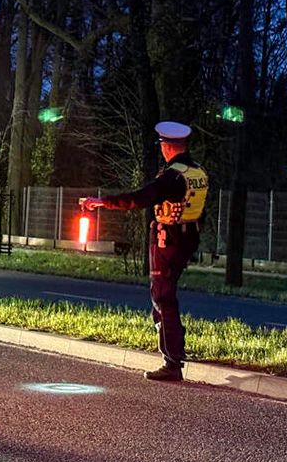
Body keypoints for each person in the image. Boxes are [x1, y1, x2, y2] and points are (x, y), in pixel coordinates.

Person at [80, 121, 208, 382]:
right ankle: (174, 350)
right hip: (187, 240)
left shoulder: (173, 176)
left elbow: (140, 198)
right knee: (165, 296)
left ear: (167, 147)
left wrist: (102, 202)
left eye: (162, 145)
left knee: (162, 298)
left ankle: (172, 361)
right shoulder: (197, 172)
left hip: (167, 241)